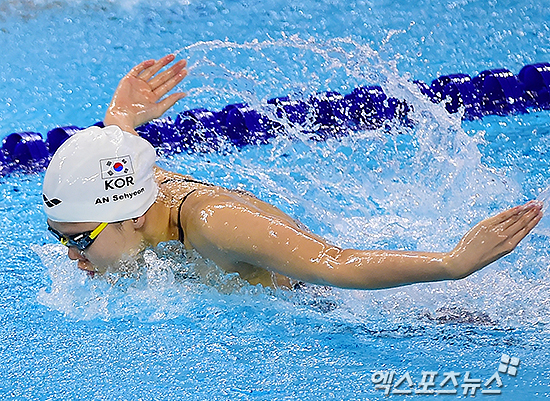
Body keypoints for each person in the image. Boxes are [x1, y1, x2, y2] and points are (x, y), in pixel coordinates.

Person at [43, 54, 543, 290]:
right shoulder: (129, 190)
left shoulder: (215, 224)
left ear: (131, 217)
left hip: (353, 313)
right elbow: (119, 152)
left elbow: (336, 262)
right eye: (61, 237)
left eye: (81, 240)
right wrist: (121, 117)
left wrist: (451, 264)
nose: (68, 255)